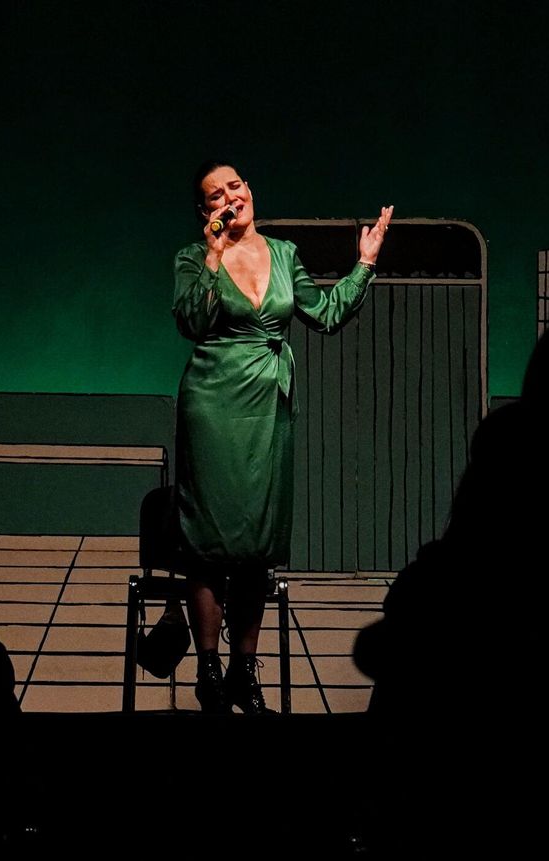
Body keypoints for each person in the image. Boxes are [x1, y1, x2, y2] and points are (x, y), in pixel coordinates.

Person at [172, 160, 391, 713]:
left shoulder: (285, 254)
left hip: (269, 406)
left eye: (235, 186)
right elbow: (191, 322)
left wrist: (365, 263)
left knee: (257, 543)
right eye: (216, 195)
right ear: (205, 211)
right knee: (208, 541)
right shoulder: (193, 258)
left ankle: (244, 674)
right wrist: (214, 255)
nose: (230, 197)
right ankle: (208, 672)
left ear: (249, 190)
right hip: (212, 404)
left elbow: (326, 314)